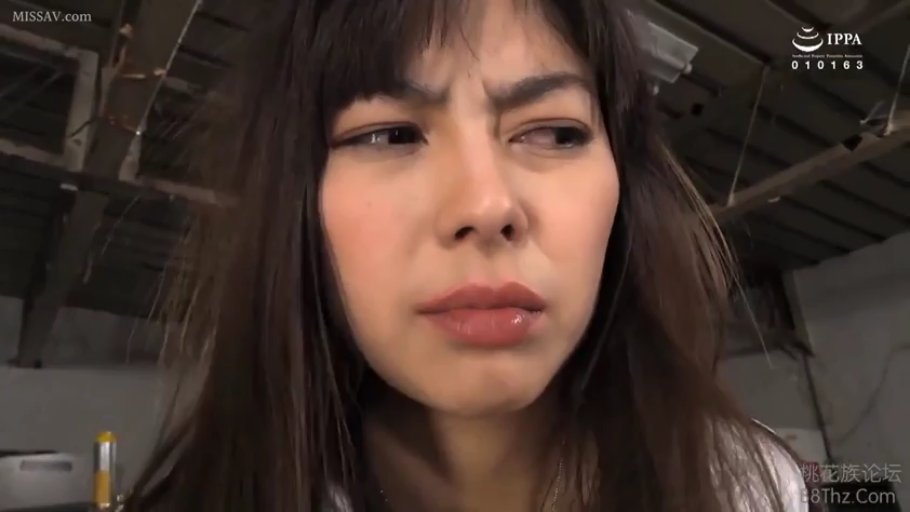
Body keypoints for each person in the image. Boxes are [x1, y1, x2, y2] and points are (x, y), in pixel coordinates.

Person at [125, 0, 813, 511]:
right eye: (390, 135)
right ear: (296, 202)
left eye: (554, 132)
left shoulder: (747, 488)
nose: (486, 207)